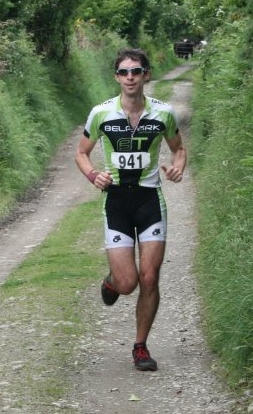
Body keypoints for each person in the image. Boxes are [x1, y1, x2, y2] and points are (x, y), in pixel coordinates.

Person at [75, 47, 187, 371]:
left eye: (135, 71)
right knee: (128, 283)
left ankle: (140, 346)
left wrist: (178, 167)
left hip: (150, 200)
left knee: (150, 278)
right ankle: (113, 281)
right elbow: (81, 153)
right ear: (116, 77)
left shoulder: (163, 113)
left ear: (146, 75)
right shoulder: (101, 113)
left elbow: (178, 149)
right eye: (124, 72)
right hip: (117, 202)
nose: (130, 77)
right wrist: (94, 175)